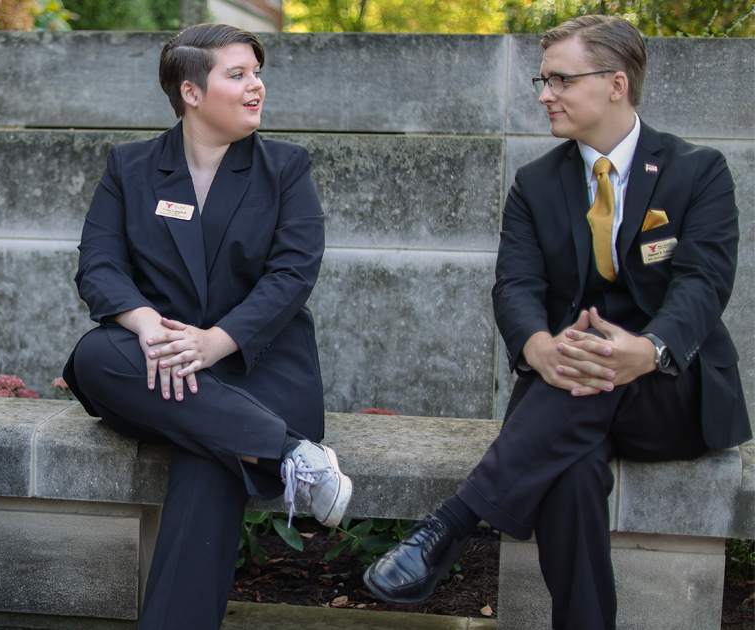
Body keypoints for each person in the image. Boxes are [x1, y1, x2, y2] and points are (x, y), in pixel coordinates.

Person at [363, 15, 749, 630]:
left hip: (669, 389)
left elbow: (702, 284)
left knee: (587, 377)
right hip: (567, 382)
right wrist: (539, 347)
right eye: (544, 81)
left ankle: (453, 523)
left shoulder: (695, 171)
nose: (545, 94)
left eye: (560, 80)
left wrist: (648, 350)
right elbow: (516, 285)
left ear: (616, 83)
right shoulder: (535, 183)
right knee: (570, 470)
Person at [61, 23, 352, 630]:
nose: (257, 87)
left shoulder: (286, 169)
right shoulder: (131, 166)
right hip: (160, 361)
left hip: (257, 366)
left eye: (256, 73)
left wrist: (213, 342)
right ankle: (294, 454)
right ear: (191, 92)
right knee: (94, 357)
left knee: (209, 456)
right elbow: (100, 265)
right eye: (237, 75)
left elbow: (291, 276)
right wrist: (145, 326)